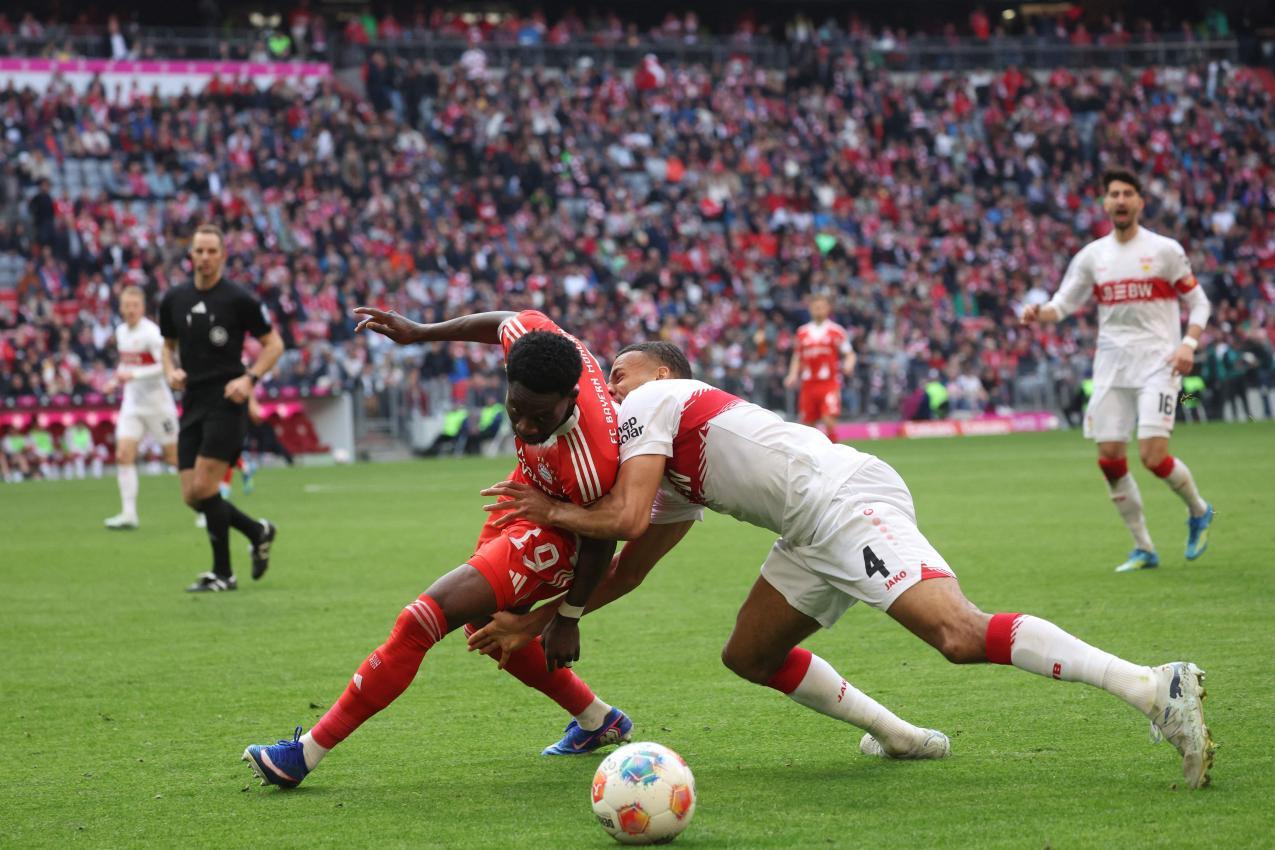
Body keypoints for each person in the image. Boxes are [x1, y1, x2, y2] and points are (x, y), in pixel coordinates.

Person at [478, 342, 1215, 789]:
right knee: (749, 652)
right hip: (808, 528)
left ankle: (1153, 686)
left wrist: (549, 515)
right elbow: (629, 566)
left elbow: (619, 522)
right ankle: (897, 735)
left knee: (956, 634)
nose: (610, 385)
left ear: (664, 371)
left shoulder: (656, 400)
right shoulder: (661, 473)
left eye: (620, 372)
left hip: (839, 499)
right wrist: (541, 617)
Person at [242, 308, 630, 790]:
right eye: (516, 409)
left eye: (541, 416)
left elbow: (602, 539)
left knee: (422, 618)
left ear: (571, 398)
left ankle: (302, 756)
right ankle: (598, 719)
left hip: (565, 529)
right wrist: (422, 333)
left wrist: (567, 616)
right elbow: (504, 321)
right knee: (483, 626)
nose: (526, 427)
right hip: (525, 494)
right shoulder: (532, 340)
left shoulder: (594, 460)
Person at [1022, 168, 1214, 572]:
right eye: (1114, 194)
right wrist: (1040, 313)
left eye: (1128, 193)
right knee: (1110, 458)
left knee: (1151, 455)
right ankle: (1144, 547)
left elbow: (1199, 303)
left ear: (1141, 201)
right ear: (1105, 203)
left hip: (1159, 362)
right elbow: (1062, 305)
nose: (1121, 200)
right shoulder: (1093, 256)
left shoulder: (1164, 250)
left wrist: (1188, 343)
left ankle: (1198, 509)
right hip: (1110, 365)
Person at [159, 224, 284, 592]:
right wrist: (170, 370)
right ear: (191, 255)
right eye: (199, 251)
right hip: (192, 401)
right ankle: (257, 531)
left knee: (204, 486)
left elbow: (274, 344)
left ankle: (223, 574)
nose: (205, 257)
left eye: (212, 251)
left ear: (223, 255)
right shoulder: (173, 299)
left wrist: (250, 379)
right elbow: (167, 345)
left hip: (227, 402)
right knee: (191, 495)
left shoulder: (238, 299)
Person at [104, 285, 180, 529]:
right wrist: (115, 381)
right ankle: (129, 514)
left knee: (175, 458)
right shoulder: (121, 332)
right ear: (121, 307)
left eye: (135, 305)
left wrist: (133, 375)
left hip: (158, 404)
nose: (130, 310)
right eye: (126, 305)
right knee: (123, 454)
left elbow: (165, 366)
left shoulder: (152, 334)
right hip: (133, 404)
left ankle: (204, 507)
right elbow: (126, 366)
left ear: (142, 307)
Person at [784, 293, 855, 438]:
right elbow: (797, 356)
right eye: (815, 307)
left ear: (828, 309)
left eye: (821, 307)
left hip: (828, 383)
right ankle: (812, 458)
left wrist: (849, 365)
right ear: (810, 309)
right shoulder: (802, 332)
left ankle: (833, 455)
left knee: (829, 420)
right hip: (808, 384)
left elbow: (850, 353)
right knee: (807, 425)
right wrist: (792, 375)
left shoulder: (836, 331)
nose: (818, 310)